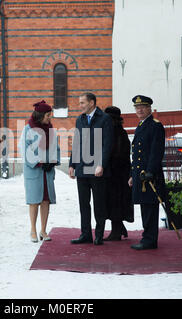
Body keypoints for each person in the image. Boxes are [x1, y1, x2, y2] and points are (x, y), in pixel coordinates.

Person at [69, 92, 114, 245]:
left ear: (92, 103)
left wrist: (101, 164)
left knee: (99, 203)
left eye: (82, 103)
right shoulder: (79, 120)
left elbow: (107, 145)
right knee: (83, 203)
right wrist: (72, 164)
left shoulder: (105, 119)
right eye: (79, 103)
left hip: (97, 169)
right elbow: (77, 143)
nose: (80, 105)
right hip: (82, 168)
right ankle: (85, 234)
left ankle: (99, 234)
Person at [128, 95, 166, 250]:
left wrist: (150, 171)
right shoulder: (141, 125)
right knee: (144, 206)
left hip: (150, 175)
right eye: (137, 108)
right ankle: (147, 237)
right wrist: (132, 175)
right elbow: (136, 153)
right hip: (140, 175)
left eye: (142, 107)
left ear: (150, 108)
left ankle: (150, 239)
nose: (139, 110)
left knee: (150, 207)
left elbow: (156, 152)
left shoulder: (155, 125)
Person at [20, 100, 60, 243]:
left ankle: (43, 230)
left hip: (47, 171)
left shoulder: (51, 129)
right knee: (34, 201)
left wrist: (53, 161)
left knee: (46, 201)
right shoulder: (27, 129)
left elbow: (56, 148)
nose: (50, 118)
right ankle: (33, 230)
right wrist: (39, 162)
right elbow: (24, 150)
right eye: (48, 115)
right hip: (34, 170)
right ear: (40, 115)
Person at [103, 106, 134, 241]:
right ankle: (119, 227)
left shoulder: (117, 133)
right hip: (117, 173)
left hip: (117, 174)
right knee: (113, 202)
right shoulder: (119, 132)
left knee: (115, 202)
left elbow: (118, 155)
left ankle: (116, 231)